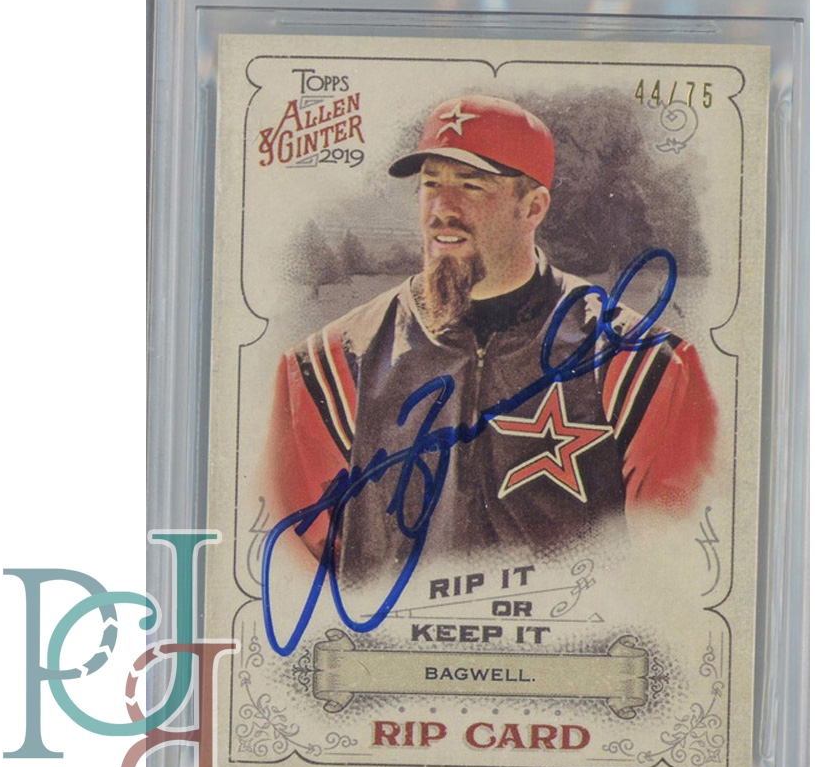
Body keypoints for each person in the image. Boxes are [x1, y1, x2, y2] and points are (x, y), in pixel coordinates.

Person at [260, 95, 717, 582]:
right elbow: (295, 565)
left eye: (471, 186)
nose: (441, 208)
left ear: (533, 207)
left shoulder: (640, 364)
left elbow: (670, 566)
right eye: (430, 184)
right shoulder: (331, 365)